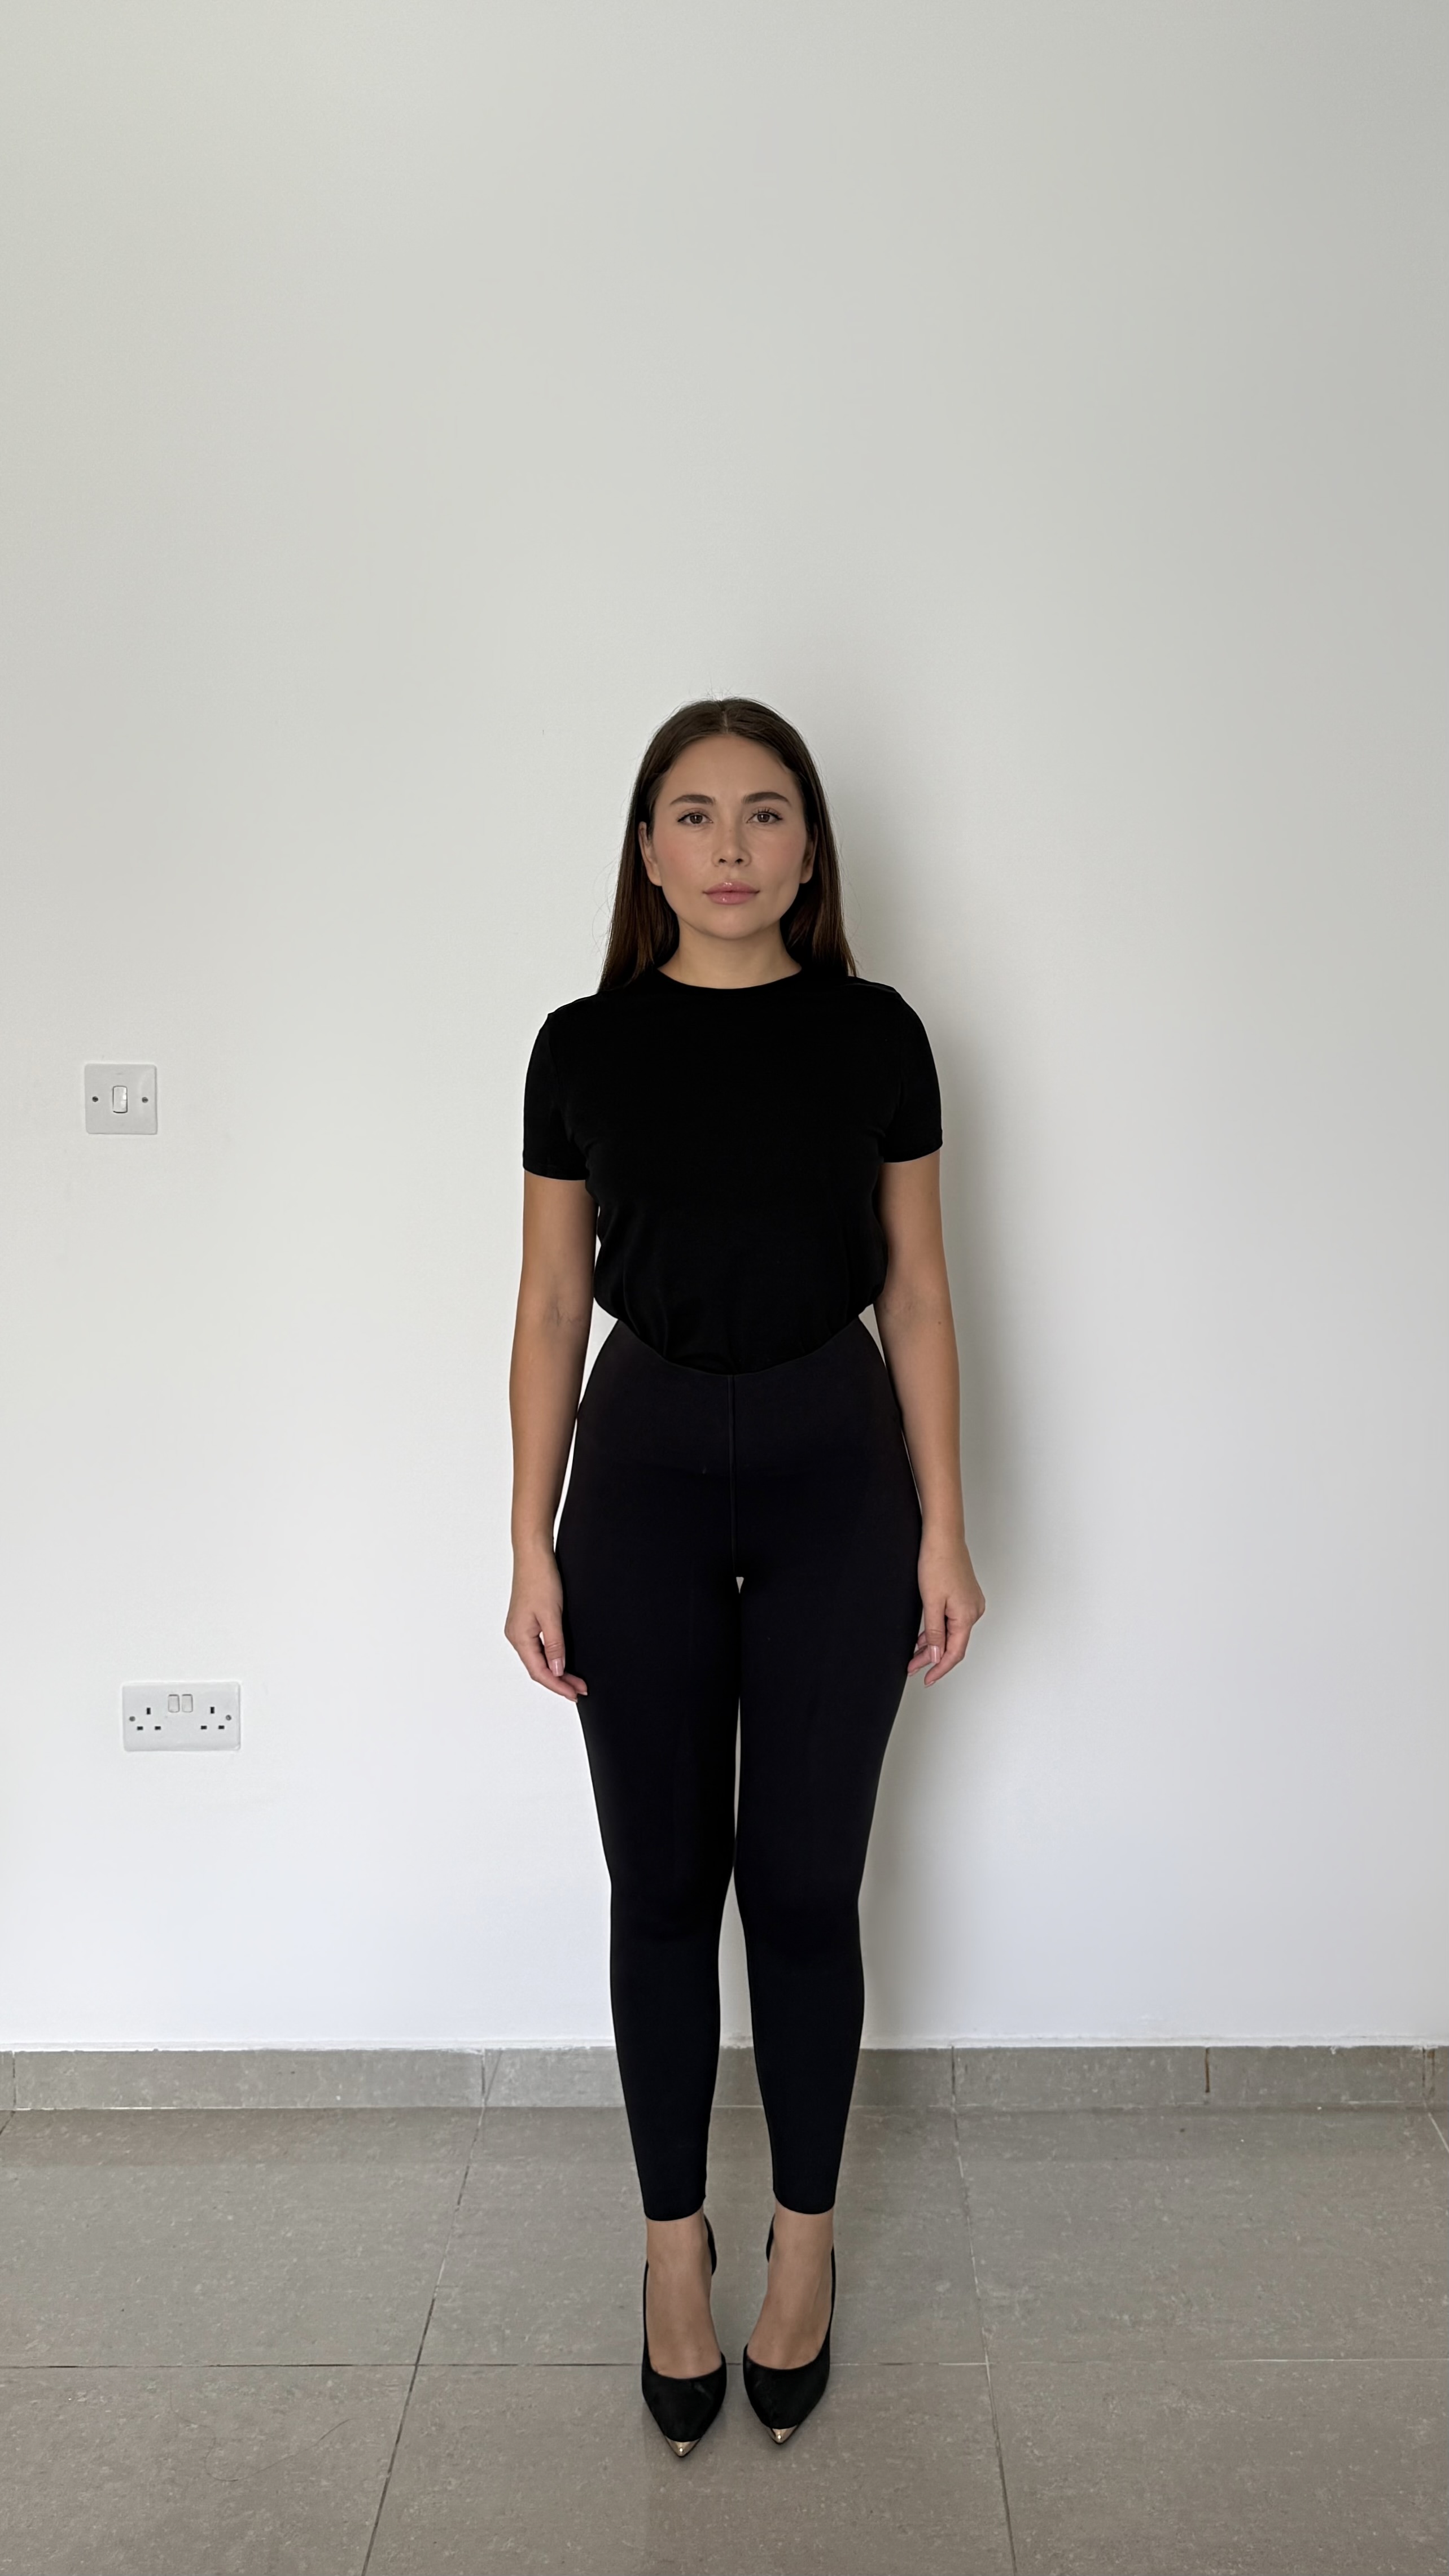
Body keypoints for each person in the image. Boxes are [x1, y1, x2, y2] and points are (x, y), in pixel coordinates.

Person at [505, 697, 984, 2455]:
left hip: (833, 1472)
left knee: (800, 1884)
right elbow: (552, 1302)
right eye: (694, 813)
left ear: (808, 848)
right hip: (636, 1474)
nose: (729, 845)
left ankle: (804, 2241)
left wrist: (945, 1523)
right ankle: (670, 2251)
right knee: (658, 1884)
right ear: (647, 850)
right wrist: (527, 1532)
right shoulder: (581, 1047)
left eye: (765, 811)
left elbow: (916, 1290)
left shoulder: (877, 1036)